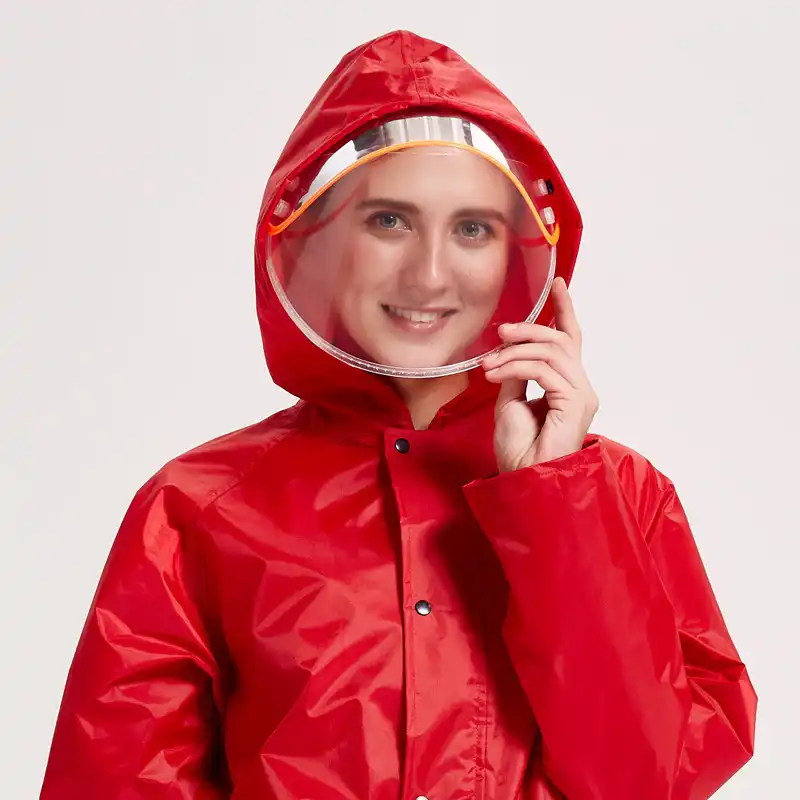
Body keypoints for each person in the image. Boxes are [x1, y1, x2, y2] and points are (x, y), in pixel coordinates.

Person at [40, 30, 757, 800]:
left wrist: (555, 504)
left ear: (517, 256)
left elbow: (643, 783)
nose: (429, 274)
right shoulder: (196, 511)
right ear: (315, 243)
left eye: (473, 229)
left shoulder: (620, 497)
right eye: (389, 220)